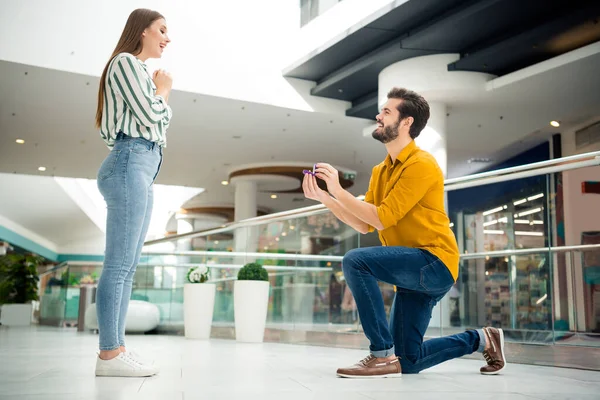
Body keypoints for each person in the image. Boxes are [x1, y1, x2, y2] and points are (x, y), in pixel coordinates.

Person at [302, 87, 506, 378]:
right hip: (413, 271)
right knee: (408, 360)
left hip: (433, 262)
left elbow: (383, 218)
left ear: (407, 122)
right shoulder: (380, 171)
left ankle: (380, 354)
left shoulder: (421, 164)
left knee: (355, 261)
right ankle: (483, 338)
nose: (378, 115)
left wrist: (336, 189)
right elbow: (364, 224)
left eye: (387, 111)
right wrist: (326, 198)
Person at [93, 8, 173, 377]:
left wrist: (158, 100)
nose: (167, 38)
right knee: (119, 265)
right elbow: (149, 114)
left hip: (142, 165)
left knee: (127, 267)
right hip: (131, 160)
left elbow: (154, 117)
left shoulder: (137, 71)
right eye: (161, 30)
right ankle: (109, 354)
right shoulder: (125, 63)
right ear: (141, 31)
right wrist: (163, 92)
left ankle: (117, 348)